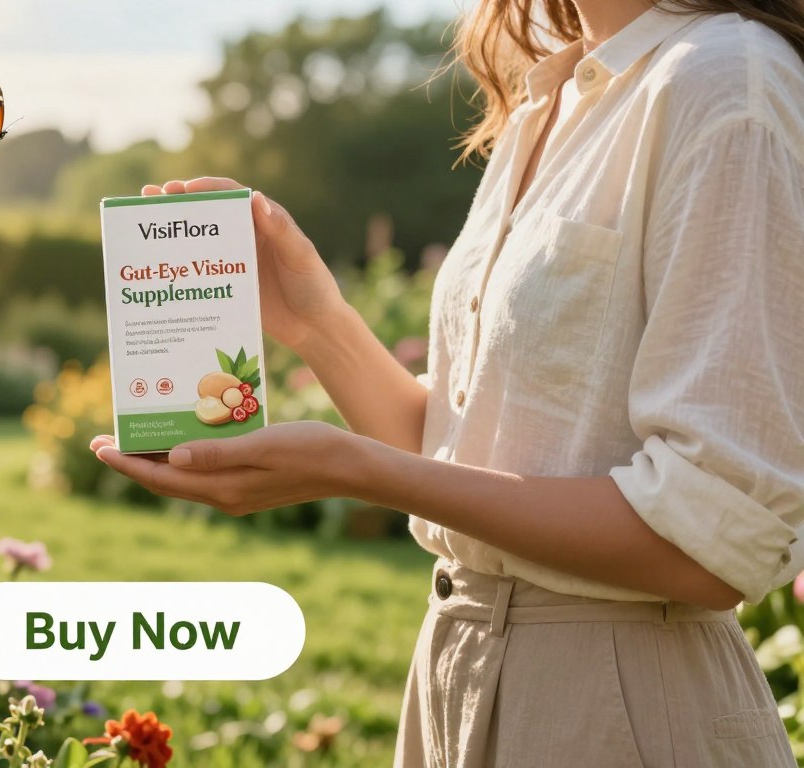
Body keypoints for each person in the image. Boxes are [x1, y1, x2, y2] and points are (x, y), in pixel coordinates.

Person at [88, 0, 804, 764]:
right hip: (456, 677)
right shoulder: (551, 98)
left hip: (616, 706)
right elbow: (464, 455)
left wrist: (356, 470)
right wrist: (316, 322)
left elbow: (709, 541)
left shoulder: (729, 82)